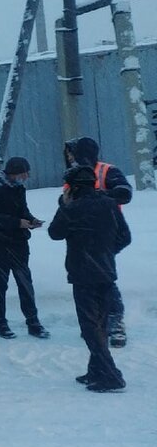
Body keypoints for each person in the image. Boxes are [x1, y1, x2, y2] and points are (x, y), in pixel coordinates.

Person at [48, 165, 130, 392]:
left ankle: (110, 375)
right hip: (106, 272)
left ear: (72, 187)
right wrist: (105, 252)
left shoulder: (72, 208)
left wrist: (63, 206)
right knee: (100, 324)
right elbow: (125, 237)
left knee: (89, 328)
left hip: (82, 275)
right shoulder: (110, 204)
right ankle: (96, 370)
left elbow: (54, 233)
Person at [64, 137, 132, 347]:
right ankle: (95, 324)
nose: (69, 157)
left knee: (104, 280)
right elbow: (66, 200)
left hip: (107, 234)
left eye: (71, 153)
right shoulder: (73, 175)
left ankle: (115, 322)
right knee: (91, 282)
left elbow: (124, 193)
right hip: (82, 238)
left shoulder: (107, 170)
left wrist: (96, 197)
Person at [0, 156, 48, 339]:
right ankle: (0, 323)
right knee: (0, 284)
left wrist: (31, 220)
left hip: (19, 243)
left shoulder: (18, 188)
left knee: (25, 283)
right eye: (24, 174)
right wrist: (18, 223)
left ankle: (33, 322)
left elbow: (22, 210)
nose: (26, 177)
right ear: (14, 173)